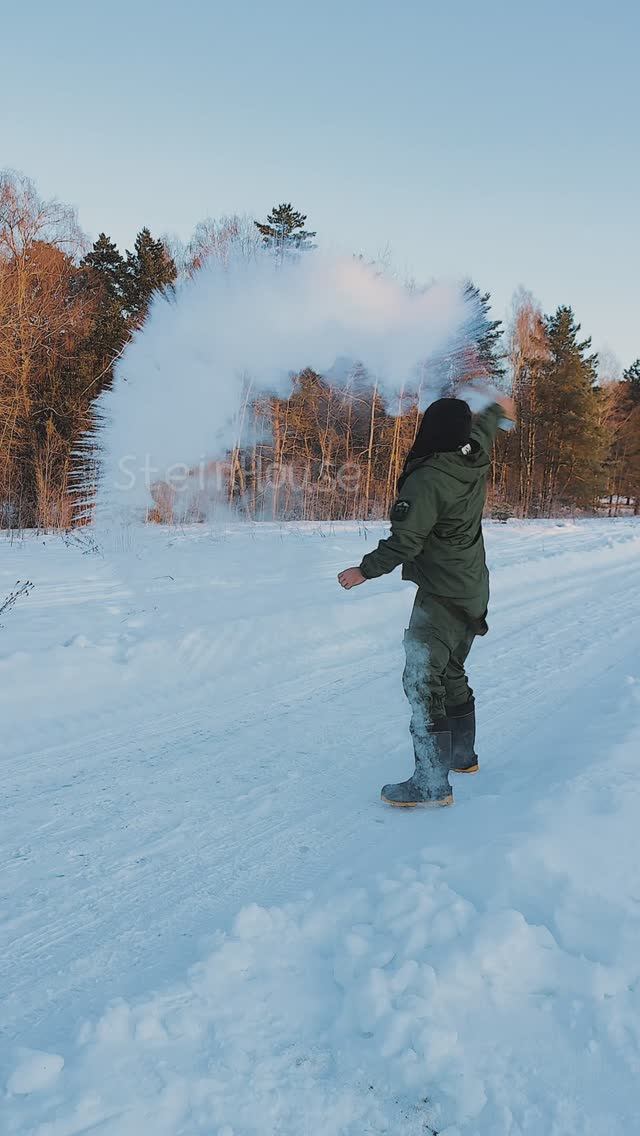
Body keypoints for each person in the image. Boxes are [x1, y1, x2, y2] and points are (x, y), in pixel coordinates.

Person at [338, 394, 516, 808]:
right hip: (471, 586)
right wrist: (496, 410)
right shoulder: (471, 454)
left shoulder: (429, 478)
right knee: (451, 670)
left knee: (420, 680)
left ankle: (431, 784)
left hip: (441, 593)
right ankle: (462, 758)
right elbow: (485, 428)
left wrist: (364, 570)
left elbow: (406, 541)